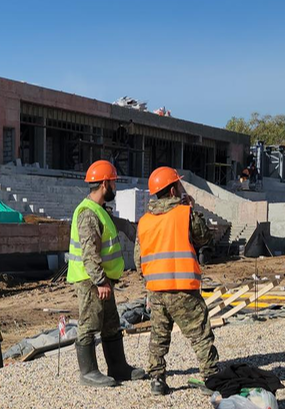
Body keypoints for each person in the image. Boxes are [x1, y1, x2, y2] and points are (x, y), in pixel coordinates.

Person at [135, 167, 219, 395]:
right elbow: (204, 237)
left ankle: (157, 380)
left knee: (158, 336)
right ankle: (211, 378)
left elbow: (137, 259)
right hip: (182, 287)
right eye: (179, 185)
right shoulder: (184, 213)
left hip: (156, 290)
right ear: (173, 189)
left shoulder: (144, 222)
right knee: (200, 334)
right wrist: (191, 207)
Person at [66, 159, 145, 387]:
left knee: (111, 322)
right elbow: (89, 253)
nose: (115, 188)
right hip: (91, 280)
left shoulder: (99, 211)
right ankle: (88, 371)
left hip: (102, 279)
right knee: (89, 324)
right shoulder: (88, 214)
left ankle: (118, 367)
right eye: (113, 183)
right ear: (104, 184)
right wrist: (100, 281)